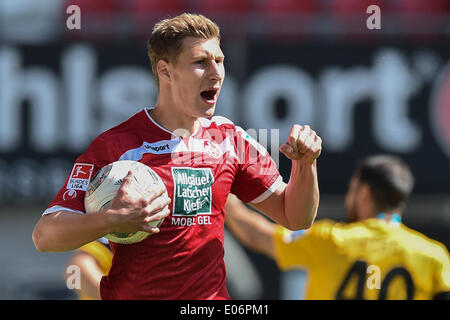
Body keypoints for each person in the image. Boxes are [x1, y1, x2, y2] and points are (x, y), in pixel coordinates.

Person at [32, 13, 322, 299]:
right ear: (166, 71)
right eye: (201, 62)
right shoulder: (115, 146)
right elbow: (45, 236)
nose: (216, 72)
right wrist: (111, 220)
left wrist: (305, 164)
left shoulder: (229, 139)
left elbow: (295, 216)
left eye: (219, 61)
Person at [225, 154, 450, 300]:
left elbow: (257, 236)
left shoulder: (330, 239)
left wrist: (222, 195)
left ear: (364, 193)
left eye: (352, 189)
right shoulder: (434, 255)